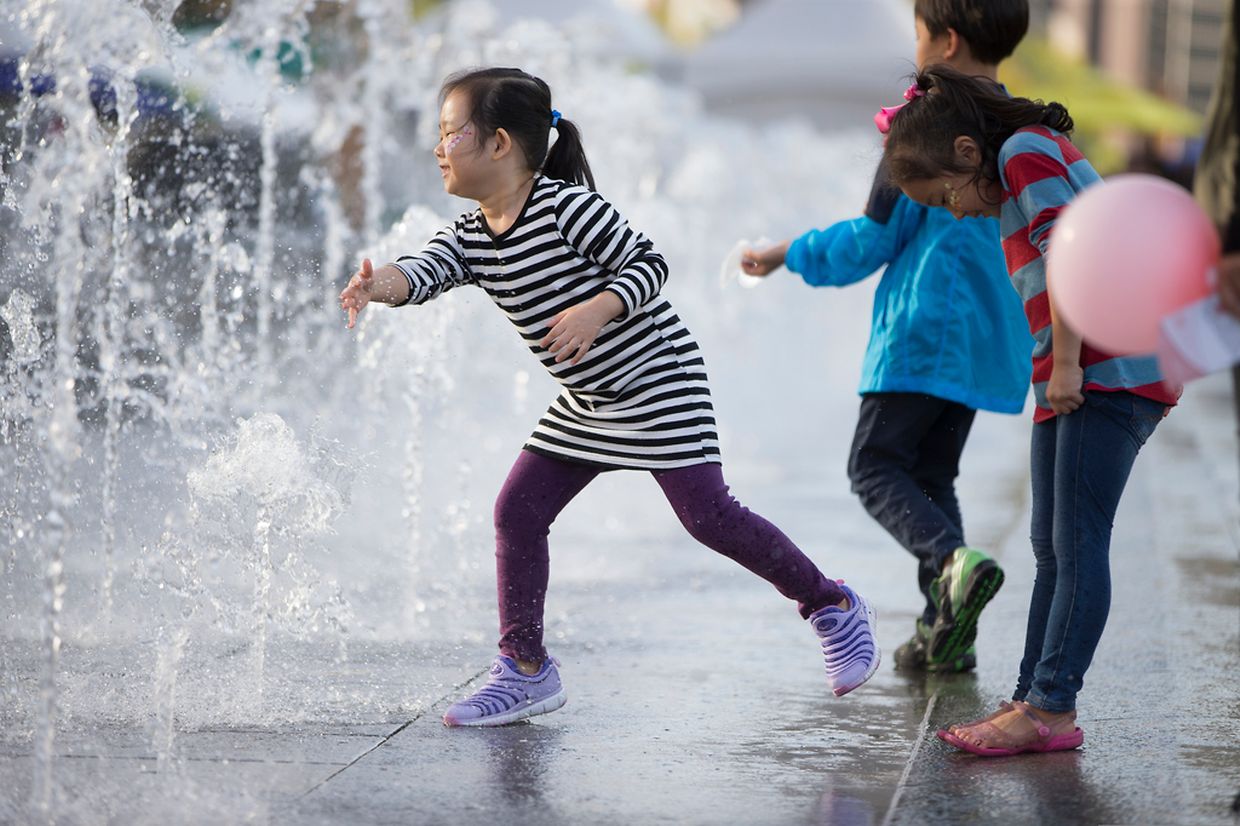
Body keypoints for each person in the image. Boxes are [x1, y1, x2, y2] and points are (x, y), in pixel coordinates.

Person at [338, 67, 879, 727]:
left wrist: (597, 310)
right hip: (588, 398)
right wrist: (378, 286)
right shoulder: (473, 235)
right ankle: (525, 668)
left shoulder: (567, 207)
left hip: (659, 380)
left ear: (501, 143)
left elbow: (649, 264)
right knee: (517, 510)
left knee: (709, 518)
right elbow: (422, 271)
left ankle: (830, 604)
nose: (438, 147)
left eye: (452, 133)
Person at [879, 64, 1178, 755]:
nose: (954, 211)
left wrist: (1069, 363)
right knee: (1053, 547)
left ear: (965, 152)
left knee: (1075, 546)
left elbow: (1072, 248)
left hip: (1102, 368)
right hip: (1077, 369)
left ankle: (1050, 708)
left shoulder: (1024, 150)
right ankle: (1031, 698)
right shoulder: (1018, 155)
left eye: (945, 196)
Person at [741, 0, 1033, 675]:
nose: (916, 46)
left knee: (873, 469)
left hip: (920, 335)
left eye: (919, 34)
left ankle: (952, 563)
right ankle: (943, 629)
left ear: (947, 40)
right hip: (985, 341)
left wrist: (790, 252)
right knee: (933, 476)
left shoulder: (925, 126)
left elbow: (871, 239)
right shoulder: (1020, 130)